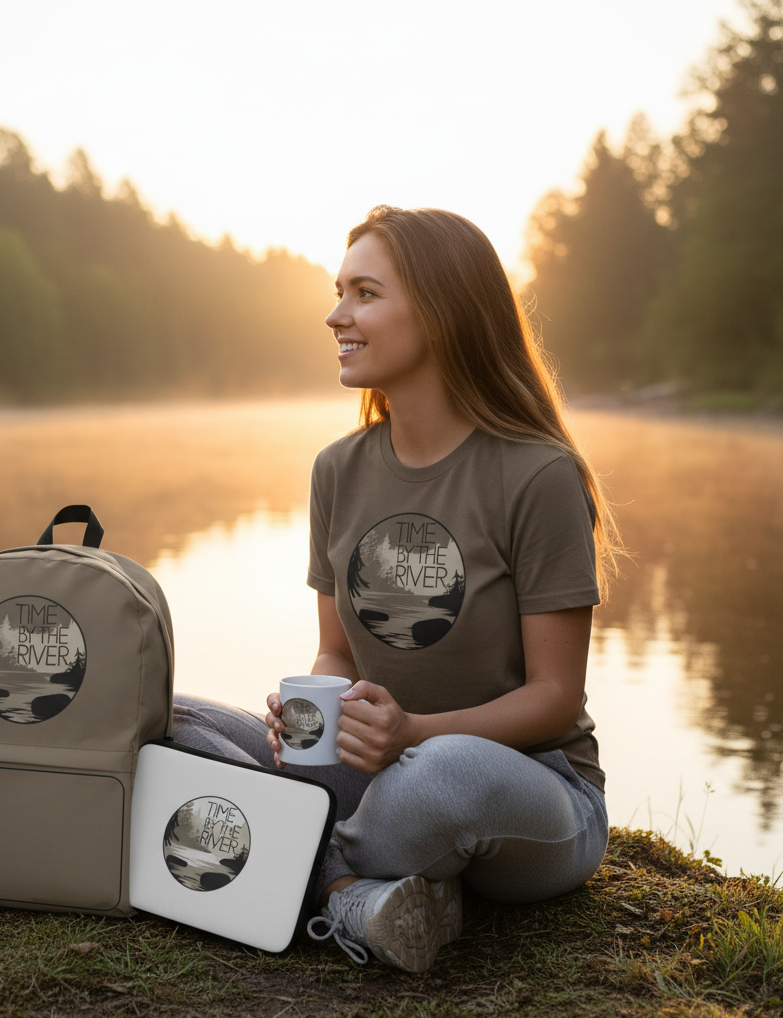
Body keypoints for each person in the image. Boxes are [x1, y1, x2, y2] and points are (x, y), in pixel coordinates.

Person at [173, 205, 618, 973]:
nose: (335, 316)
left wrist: (413, 733)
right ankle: (350, 892)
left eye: (365, 294)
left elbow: (554, 696)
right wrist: (309, 721)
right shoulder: (337, 470)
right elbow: (338, 653)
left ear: (441, 312)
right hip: (381, 770)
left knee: (440, 779)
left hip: (526, 789)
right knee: (169, 720)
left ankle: (292, 861)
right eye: (338, 292)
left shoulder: (538, 475)